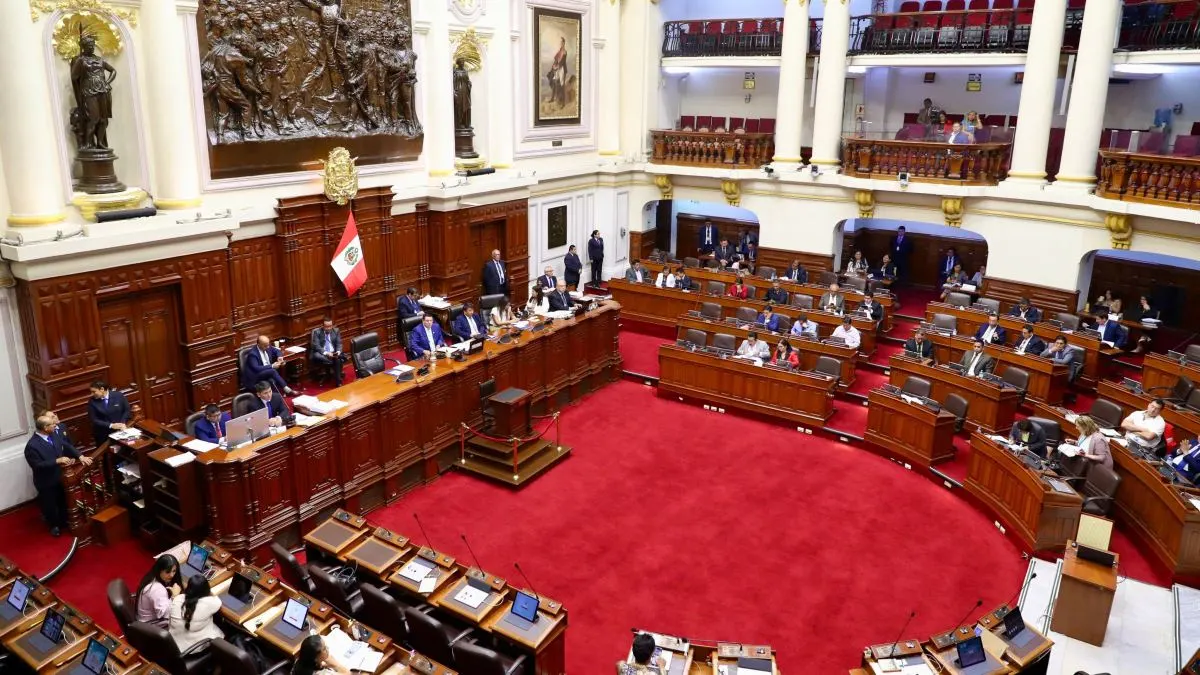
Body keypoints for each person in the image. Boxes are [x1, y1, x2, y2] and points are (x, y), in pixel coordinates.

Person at [25, 414, 90, 536]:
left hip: (60, 476)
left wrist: (80, 456)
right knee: (50, 504)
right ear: (45, 428)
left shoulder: (53, 435)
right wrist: (57, 461)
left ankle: (64, 521)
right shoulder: (32, 446)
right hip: (46, 481)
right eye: (52, 424)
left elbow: (66, 445)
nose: (56, 425)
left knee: (63, 499)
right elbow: (37, 465)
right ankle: (54, 526)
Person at [169, 575, 223, 653]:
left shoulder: (177, 598)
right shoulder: (210, 603)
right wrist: (208, 591)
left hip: (173, 644)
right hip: (192, 649)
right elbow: (217, 600)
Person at [136, 555, 182, 628]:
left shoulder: (151, 577)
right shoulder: (157, 590)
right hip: (151, 627)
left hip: (144, 620)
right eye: (168, 572)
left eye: (174, 571)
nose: (172, 575)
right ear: (159, 570)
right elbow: (166, 615)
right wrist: (174, 596)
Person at [87, 380, 132, 445]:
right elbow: (94, 419)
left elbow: (126, 410)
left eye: (94, 391)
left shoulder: (118, 395)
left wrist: (122, 423)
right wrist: (111, 425)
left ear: (102, 389)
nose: (92, 394)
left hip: (121, 429)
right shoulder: (92, 401)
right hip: (104, 434)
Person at [309, 317, 348, 386]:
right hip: (322, 354)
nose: (329, 328)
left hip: (333, 353)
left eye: (330, 326)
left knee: (337, 357)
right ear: (323, 326)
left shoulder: (336, 331)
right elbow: (317, 346)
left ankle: (338, 381)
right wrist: (327, 353)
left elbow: (339, 343)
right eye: (326, 326)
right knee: (316, 355)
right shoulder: (317, 332)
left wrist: (338, 351)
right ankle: (338, 380)